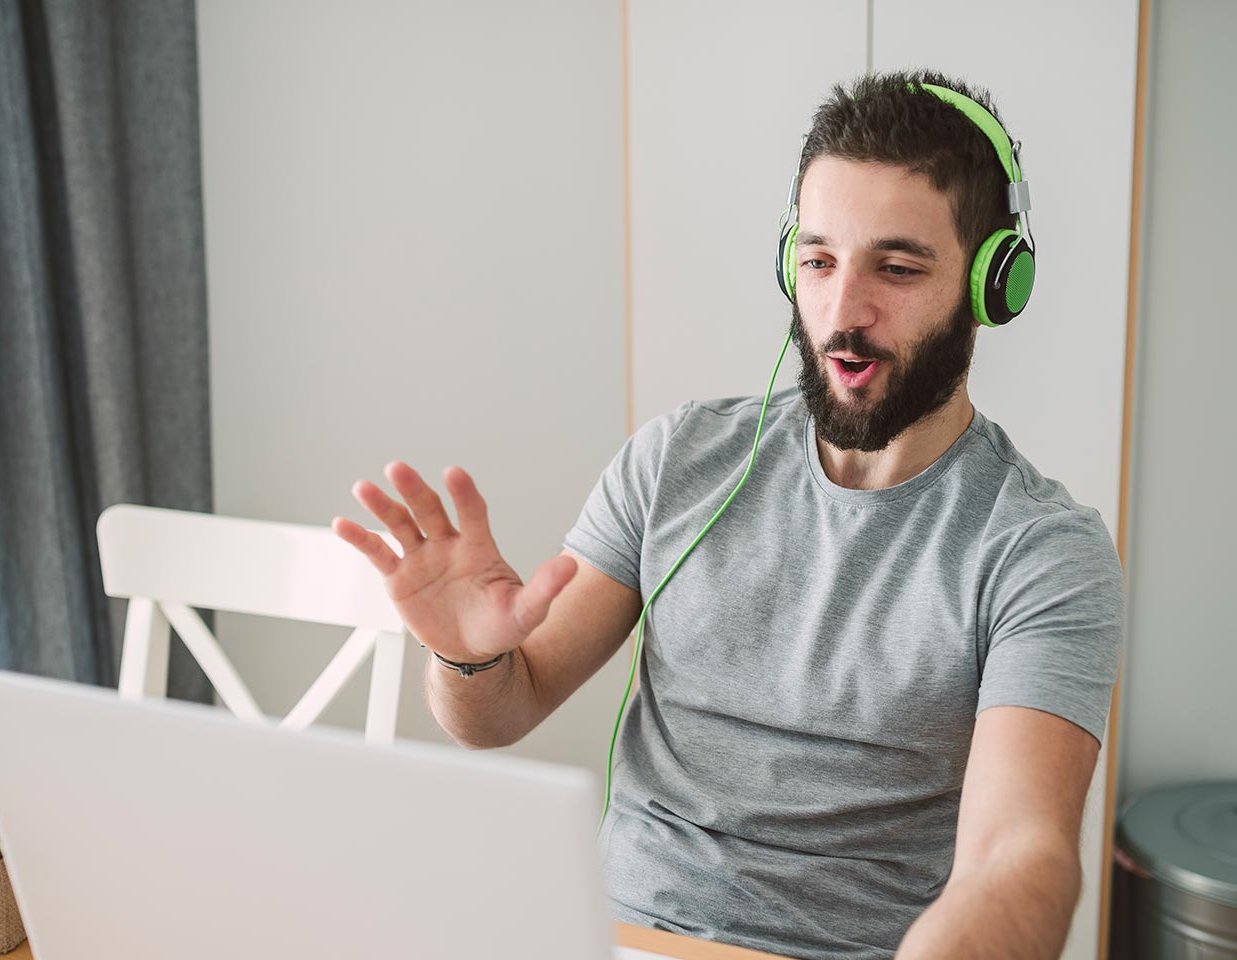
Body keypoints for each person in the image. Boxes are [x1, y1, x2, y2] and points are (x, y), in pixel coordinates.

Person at [332, 70, 1123, 960]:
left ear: (992, 285)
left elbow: (1021, 857)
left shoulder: (1041, 552)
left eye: (897, 269)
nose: (842, 314)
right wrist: (466, 657)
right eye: (818, 262)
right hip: (618, 940)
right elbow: (496, 716)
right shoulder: (677, 460)